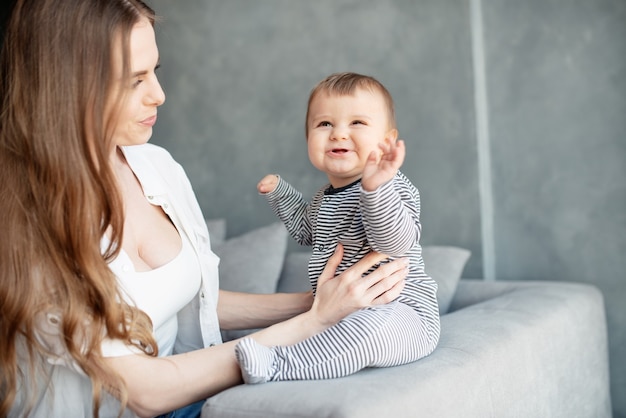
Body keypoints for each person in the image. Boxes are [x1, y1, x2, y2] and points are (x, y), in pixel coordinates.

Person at [0, 2, 409, 417]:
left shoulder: (156, 166)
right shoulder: (26, 215)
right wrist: (311, 323)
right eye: (134, 80)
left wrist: (316, 302)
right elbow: (145, 393)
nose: (159, 95)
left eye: (154, 72)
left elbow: (196, 299)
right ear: (68, 85)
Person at [234, 72, 440, 383]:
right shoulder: (323, 198)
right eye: (324, 124)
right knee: (325, 331)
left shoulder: (392, 187)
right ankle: (282, 351)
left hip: (402, 311)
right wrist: (281, 194)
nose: (338, 134)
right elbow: (307, 231)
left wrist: (374, 189)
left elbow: (395, 243)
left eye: (357, 123)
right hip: (339, 309)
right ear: (308, 139)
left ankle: (277, 365)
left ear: (386, 140)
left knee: (368, 332)